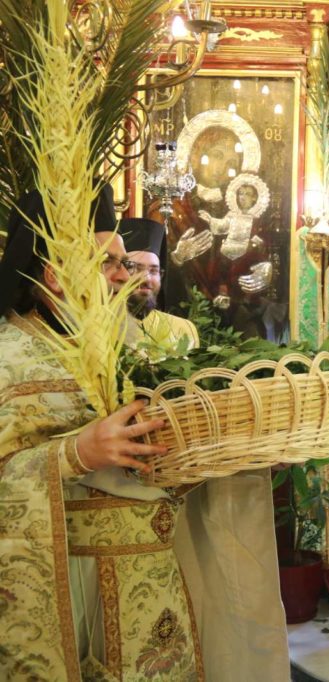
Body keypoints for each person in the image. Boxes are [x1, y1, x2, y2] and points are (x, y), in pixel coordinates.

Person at [0, 188, 289, 680]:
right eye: (108, 263)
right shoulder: (9, 358)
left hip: (161, 573)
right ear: (54, 277)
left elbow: (170, 457)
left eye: (125, 262)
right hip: (72, 589)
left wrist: (242, 451)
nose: (125, 275)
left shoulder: (137, 346)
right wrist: (74, 454)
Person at [119, 217, 200, 351]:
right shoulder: (97, 327)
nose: (146, 278)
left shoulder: (184, 329)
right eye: (135, 268)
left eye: (153, 270)